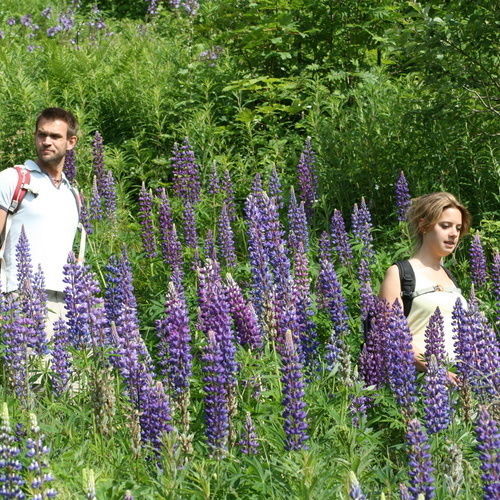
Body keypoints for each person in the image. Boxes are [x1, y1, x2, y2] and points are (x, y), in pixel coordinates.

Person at [0, 107, 80, 340]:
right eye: (41, 134)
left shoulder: (72, 193)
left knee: (68, 365)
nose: (46, 141)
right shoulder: (13, 179)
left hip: (68, 303)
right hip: (21, 297)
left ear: (71, 142)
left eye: (55, 136)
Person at [379, 192, 471, 383]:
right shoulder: (400, 273)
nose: (453, 234)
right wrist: (436, 370)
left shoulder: (450, 278)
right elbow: (389, 335)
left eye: (458, 228)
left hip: (461, 384)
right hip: (418, 385)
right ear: (423, 226)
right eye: (445, 225)